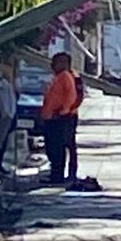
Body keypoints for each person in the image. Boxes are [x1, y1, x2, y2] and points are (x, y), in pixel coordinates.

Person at [39, 52, 79, 184]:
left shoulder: (66, 77)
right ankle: (57, 174)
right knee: (54, 147)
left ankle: (58, 176)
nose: (53, 65)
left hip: (61, 118)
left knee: (58, 148)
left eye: (57, 62)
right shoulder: (58, 77)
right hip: (53, 117)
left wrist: (62, 112)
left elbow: (71, 97)